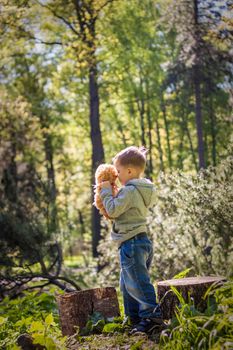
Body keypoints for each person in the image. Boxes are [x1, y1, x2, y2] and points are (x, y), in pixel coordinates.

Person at [99, 146, 163, 334]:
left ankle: (152, 317)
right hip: (140, 241)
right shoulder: (141, 190)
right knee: (128, 284)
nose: (116, 176)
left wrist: (105, 192)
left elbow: (112, 210)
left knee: (138, 283)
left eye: (118, 171)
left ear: (129, 171)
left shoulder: (129, 191)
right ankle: (134, 318)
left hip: (132, 243)